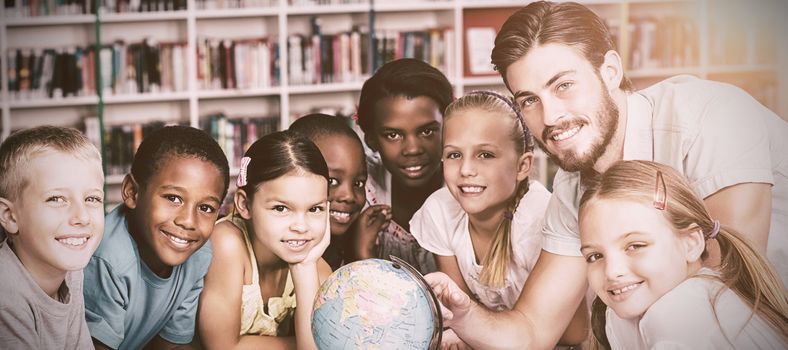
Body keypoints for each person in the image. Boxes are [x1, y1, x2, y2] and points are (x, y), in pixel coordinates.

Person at [426, 1, 788, 349]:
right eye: (529, 100)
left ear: (610, 71)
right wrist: (464, 313)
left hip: (765, 310)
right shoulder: (574, 188)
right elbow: (533, 331)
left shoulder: (712, 116)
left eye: (563, 85)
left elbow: (728, 280)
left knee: (668, 309)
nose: (549, 117)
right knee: (620, 316)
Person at [579, 160, 787, 349]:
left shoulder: (679, 313)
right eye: (595, 256)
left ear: (691, 244)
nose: (612, 271)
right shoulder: (624, 314)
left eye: (635, 246)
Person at [410, 91, 559, 348]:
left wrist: (475, 331)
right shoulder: (440, 210)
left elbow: (572, 331)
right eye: (455, 155)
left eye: (485, 155)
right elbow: (460, 312)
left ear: (523, 166)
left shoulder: (540, 220)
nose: (466, 170)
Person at [84, 125, 231, 350]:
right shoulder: (108, 261)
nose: (188, 221)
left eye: (206, 208)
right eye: (173, 198)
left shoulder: (199, 255)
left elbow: (172, 345)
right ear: (132, 192)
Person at [197, 130, 332, 349]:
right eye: (281, 208)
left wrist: (305, 268)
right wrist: (302, 343)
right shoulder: (228, 243)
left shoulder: (317, 269)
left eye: (315, 209)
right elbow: (223, 347)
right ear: (244, 204)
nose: (301, 226)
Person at [0, 126, 105, 349]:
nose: (82, 217)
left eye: (92, 199)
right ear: (10, 216)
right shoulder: (5, 295)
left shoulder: (70, 270)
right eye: (56, 199)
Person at [354, 58, 454, 275]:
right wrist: (362, 256)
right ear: (371, 140)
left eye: (427, 131)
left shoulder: (472, 185)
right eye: (393, 135)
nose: (412, 149)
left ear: (449, 127)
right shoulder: (358, 191)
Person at [290, 113, 367, 270]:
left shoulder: (345, 244)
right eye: (332, 181)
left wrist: (363, 254)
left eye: (358, 183)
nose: (349, 196)